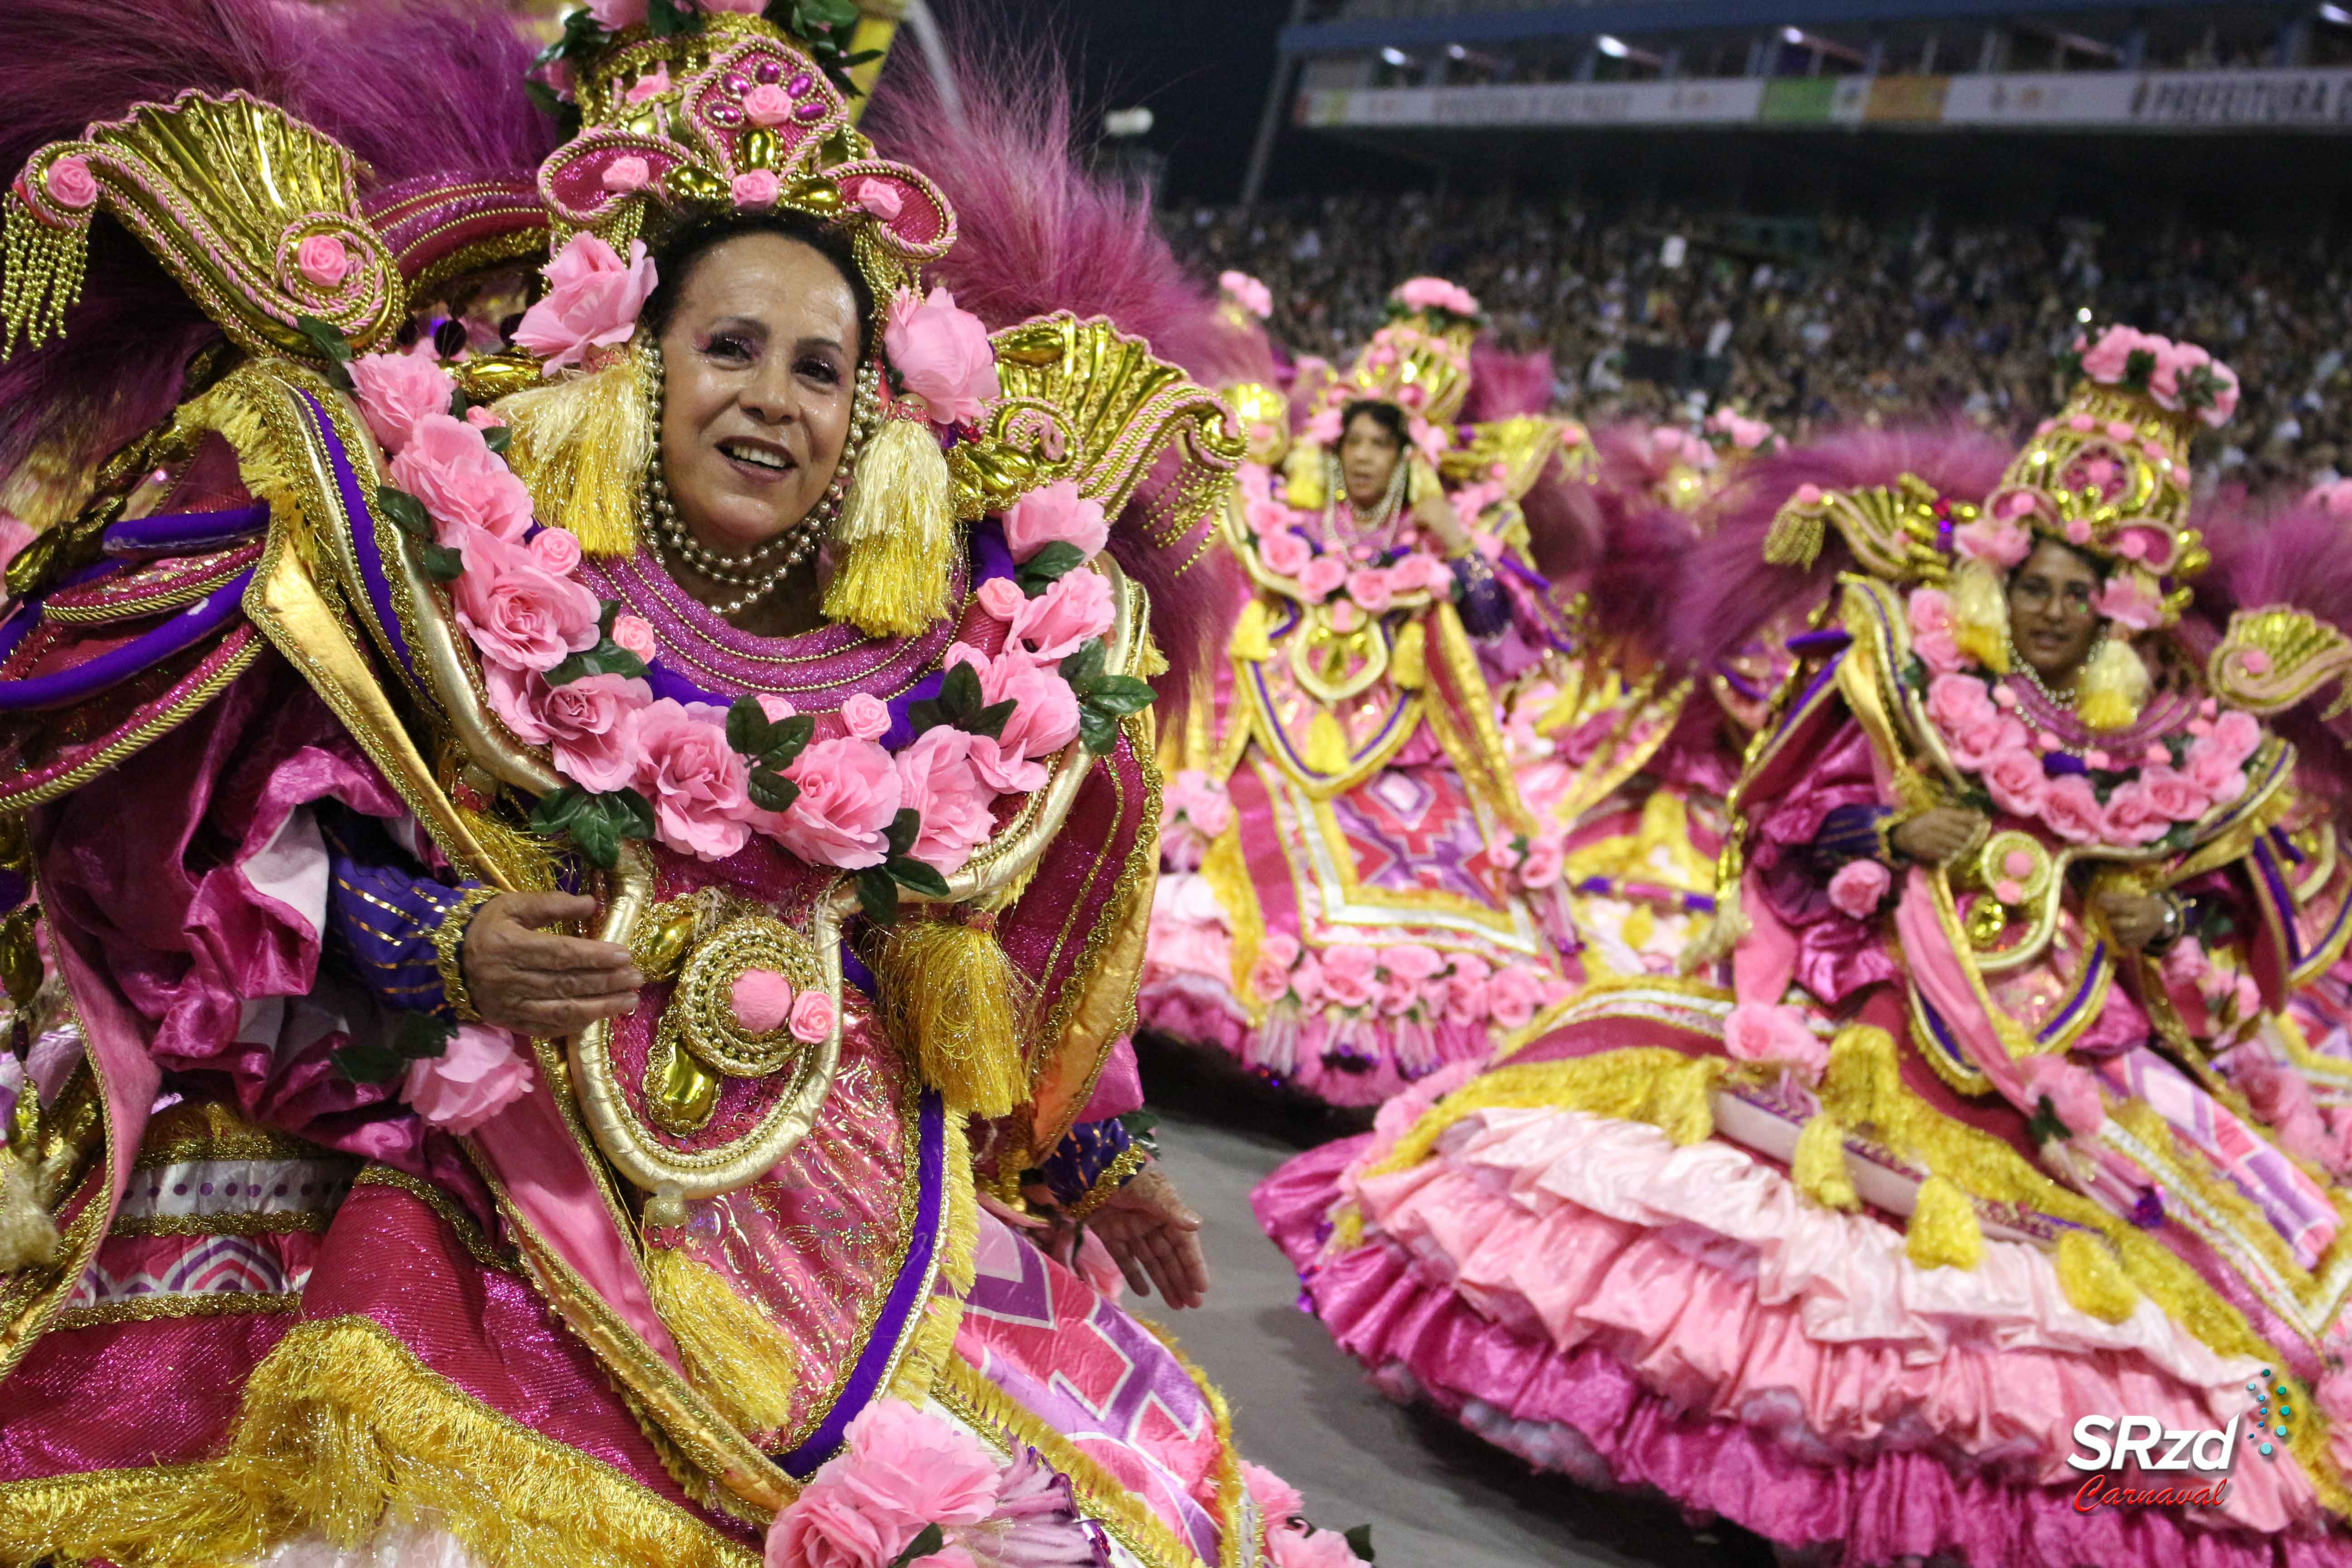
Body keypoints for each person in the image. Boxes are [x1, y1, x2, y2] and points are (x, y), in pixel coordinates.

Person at [0, 7, 1357, 1566]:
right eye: (728, 346)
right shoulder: (453, 551)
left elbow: (976, 937)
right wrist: (433, 940)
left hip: (851, 1215)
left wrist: (1092, 1145)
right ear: (638, 367)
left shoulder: (943, 648)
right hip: (480, 1177)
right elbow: (205, 835)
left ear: (871, 416)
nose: (773, 397)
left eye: (819, 368)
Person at [1259, 326, 2352, 1565]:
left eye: (2080, 594)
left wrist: (2158, 924)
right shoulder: (1909, 675)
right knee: (1770, 1208)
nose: (2051, 612)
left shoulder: (2177, 751)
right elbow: (1778, 822)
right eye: (2035, 583)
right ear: (2002, 577)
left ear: (2123, 616)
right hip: (1872, 997)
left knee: (2165, 1294)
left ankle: (2060, 1494)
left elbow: (2233, 948)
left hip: (2064, 1055)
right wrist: (1886, 829)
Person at [1141, 279, 1598, 1108]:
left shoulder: (1450, 546)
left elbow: (1498, 631)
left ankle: (1379, 1056)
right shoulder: (1276, 525)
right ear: (1330, 445)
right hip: (1269, 735)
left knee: (1451, 868)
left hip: (1403, 757)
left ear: (1407, 461)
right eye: (1352, 441)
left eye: (1381, 448)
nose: (1362, 457)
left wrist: (1452, 535)